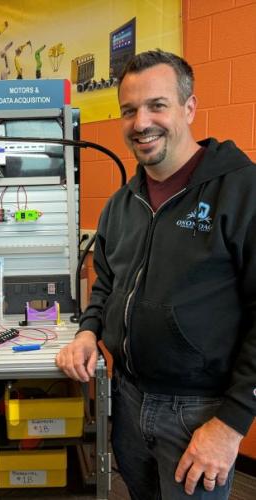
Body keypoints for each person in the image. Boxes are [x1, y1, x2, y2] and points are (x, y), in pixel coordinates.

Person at [56, 50, 256, 499]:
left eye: (157, 105)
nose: (141, 122)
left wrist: (230, 425)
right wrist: (89, 332)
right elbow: (106, 281)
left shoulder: (242, 191)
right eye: (129, 110)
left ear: (189, 108)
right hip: (128, 400)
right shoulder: (122, 204)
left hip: (200, 413)